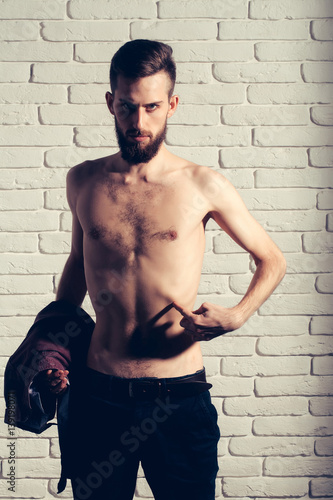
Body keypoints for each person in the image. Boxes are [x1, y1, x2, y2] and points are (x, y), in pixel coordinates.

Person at [42, 39, 286, 500]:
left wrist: (237, 315)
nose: (139, 123)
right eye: (128, 108)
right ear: (111, 102)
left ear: (172, 104)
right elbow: (78, 263)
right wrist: (54, 347)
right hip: (97, 393)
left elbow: (272, 259)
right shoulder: (83, 180)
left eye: (152, 107)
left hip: (177, 397)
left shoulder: (202, 184)